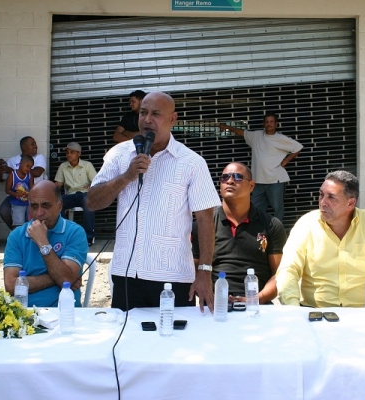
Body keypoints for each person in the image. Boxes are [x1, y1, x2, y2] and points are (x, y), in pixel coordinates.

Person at [87, 91, 221, 312]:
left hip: (173, 278)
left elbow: (205, 221)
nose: (147, 119)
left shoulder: (191, 162)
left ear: (172, 119)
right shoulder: (119, 154)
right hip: (126, 274)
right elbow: (92, 202)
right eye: (143, 113)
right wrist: (126, 176)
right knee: (127, 343)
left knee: (175, 342)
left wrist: (205, 272)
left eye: (156, 114)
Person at [276, 170, 365, 307]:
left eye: (331, 197)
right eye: (321, 195)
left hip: (362, 313)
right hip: (315, 313)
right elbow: (288, 270)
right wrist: (293, 309)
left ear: (350, 203)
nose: (323, 202)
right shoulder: (306, 224)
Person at [192, 162, 287, 304]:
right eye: (225, 177)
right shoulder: (204, 225)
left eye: (237, 177)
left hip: (257, 306)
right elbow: (195, 270)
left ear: (252, 186)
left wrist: (256, 299)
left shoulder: (271, 225)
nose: (230, 181)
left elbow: (279, 275)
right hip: (215, 305)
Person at [3, 180, 87, 307]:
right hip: (26, 314)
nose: (39, 213)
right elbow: (11, 285)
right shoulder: (17, 235)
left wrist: (43, 242)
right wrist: (59, 278)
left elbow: (65, 279)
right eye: (34, 206)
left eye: (46, 205)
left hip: (64, 313)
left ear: (60, 206)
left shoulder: (75, 232)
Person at [219, 113, 303, 221]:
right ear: (264, 124)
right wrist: (228, 127)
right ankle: (258, 233)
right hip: (258, 181)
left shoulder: (281, 138)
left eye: (271, 122)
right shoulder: (256, 136)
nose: (269, 124)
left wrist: (285, 161)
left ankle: (277, 233)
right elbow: (243, 133)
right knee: (255, 208)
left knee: (277, 209)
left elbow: (298, 147)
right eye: (267, 122)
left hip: (275, 180)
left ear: (276, 124)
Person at [0, 136, 47, 229]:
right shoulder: (13, 160)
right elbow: (0, 179)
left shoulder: (39, 158)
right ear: (24, 147)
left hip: (32, 196)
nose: (36, 146)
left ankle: (29, 234)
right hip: (15, 196)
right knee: (3, 211)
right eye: (32, 144)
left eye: (35, 144)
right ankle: (18, 233)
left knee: (31, 218)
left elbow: (37, 172)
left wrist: (12, 170)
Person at [54, 142, 98, 246]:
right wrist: (54, 187)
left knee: (88, 203)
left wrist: (91, 184)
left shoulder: (87, 165)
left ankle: (89, 237)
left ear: (79, 153)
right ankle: (64, 235)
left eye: (72, 152)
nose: (69, 154)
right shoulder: (63, 166)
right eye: (67, 152)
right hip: (71, 195)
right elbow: (58, 184)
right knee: (58, 204)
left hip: (84, 194)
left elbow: (97, 181)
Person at [6, 155, 34, 228]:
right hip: (17, 204)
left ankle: (29, 238)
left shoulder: (30, 175)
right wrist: (16, 194)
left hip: (28, 203)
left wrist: (29, 193)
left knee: (30, 223)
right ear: (21, 163)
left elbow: (32, 188)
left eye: (30, 168)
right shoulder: (12, 175)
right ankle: (19, 238)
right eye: (27, 166)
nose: (28, 169)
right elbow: (7, 190)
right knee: (18, 224)